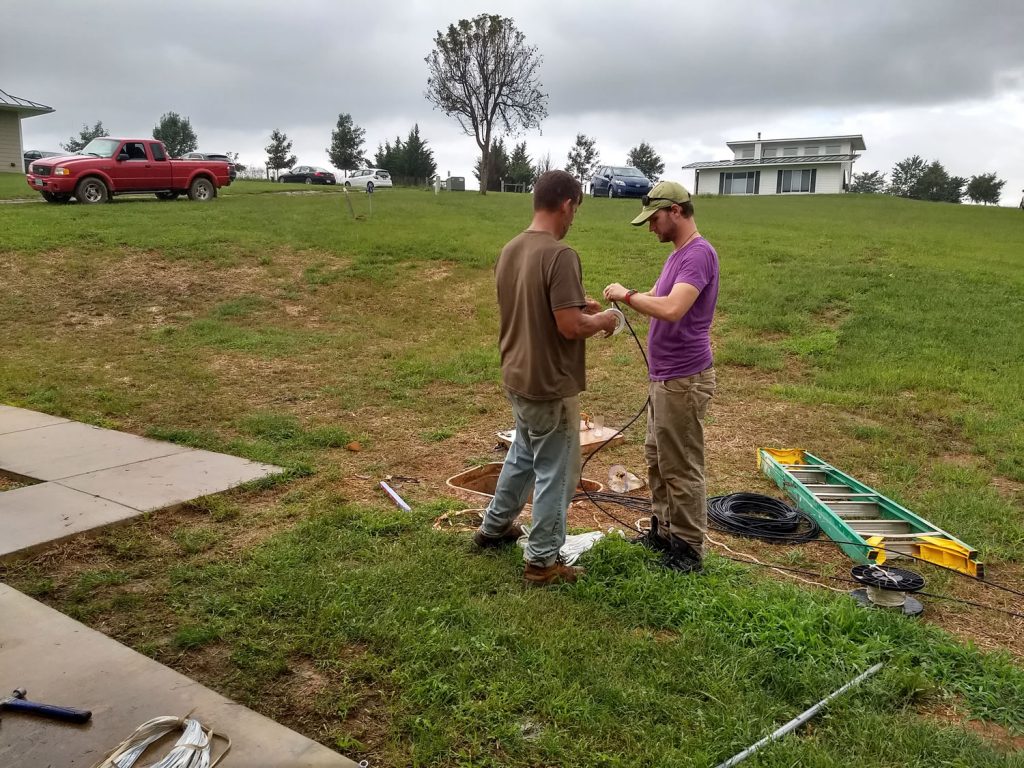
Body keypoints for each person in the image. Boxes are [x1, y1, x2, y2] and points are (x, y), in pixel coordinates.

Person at [473, 170, 619, 586]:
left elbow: (539, 307)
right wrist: (604, 319)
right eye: (576, 209)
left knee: (522, 454)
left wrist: (576, 306)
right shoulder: (560, 254)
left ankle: (495, 526)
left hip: (517, 376)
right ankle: (542, 561)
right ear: (568, 204)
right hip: (549, 385)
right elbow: (570, 327)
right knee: (558, 470)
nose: (574, 217)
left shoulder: (511, 249)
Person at [603, 181, 719, 572]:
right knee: (657, 458)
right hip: (665, 378)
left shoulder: (699, 255)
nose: (651, 227)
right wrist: (617, 303)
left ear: (675, 212)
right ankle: (663, 533)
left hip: (684, 379)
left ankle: (687, 551)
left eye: (654, 220)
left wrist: (628, 295)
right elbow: (654, 299)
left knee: (681, 465)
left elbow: (671, 308)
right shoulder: (677, 257)